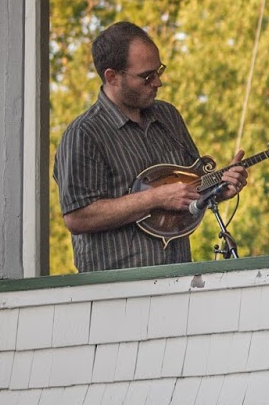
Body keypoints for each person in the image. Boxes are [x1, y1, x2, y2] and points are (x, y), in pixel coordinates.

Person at [55, 21, 248, 273]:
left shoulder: (168, 116)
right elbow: (77, 217)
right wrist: (155, 197)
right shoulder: (84, 134)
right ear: (112, 77)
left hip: (179, 277)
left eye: (159, 71)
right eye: (147, 76)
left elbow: (190, 189)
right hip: (115, 290)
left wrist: (219, 189)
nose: (157, 83)